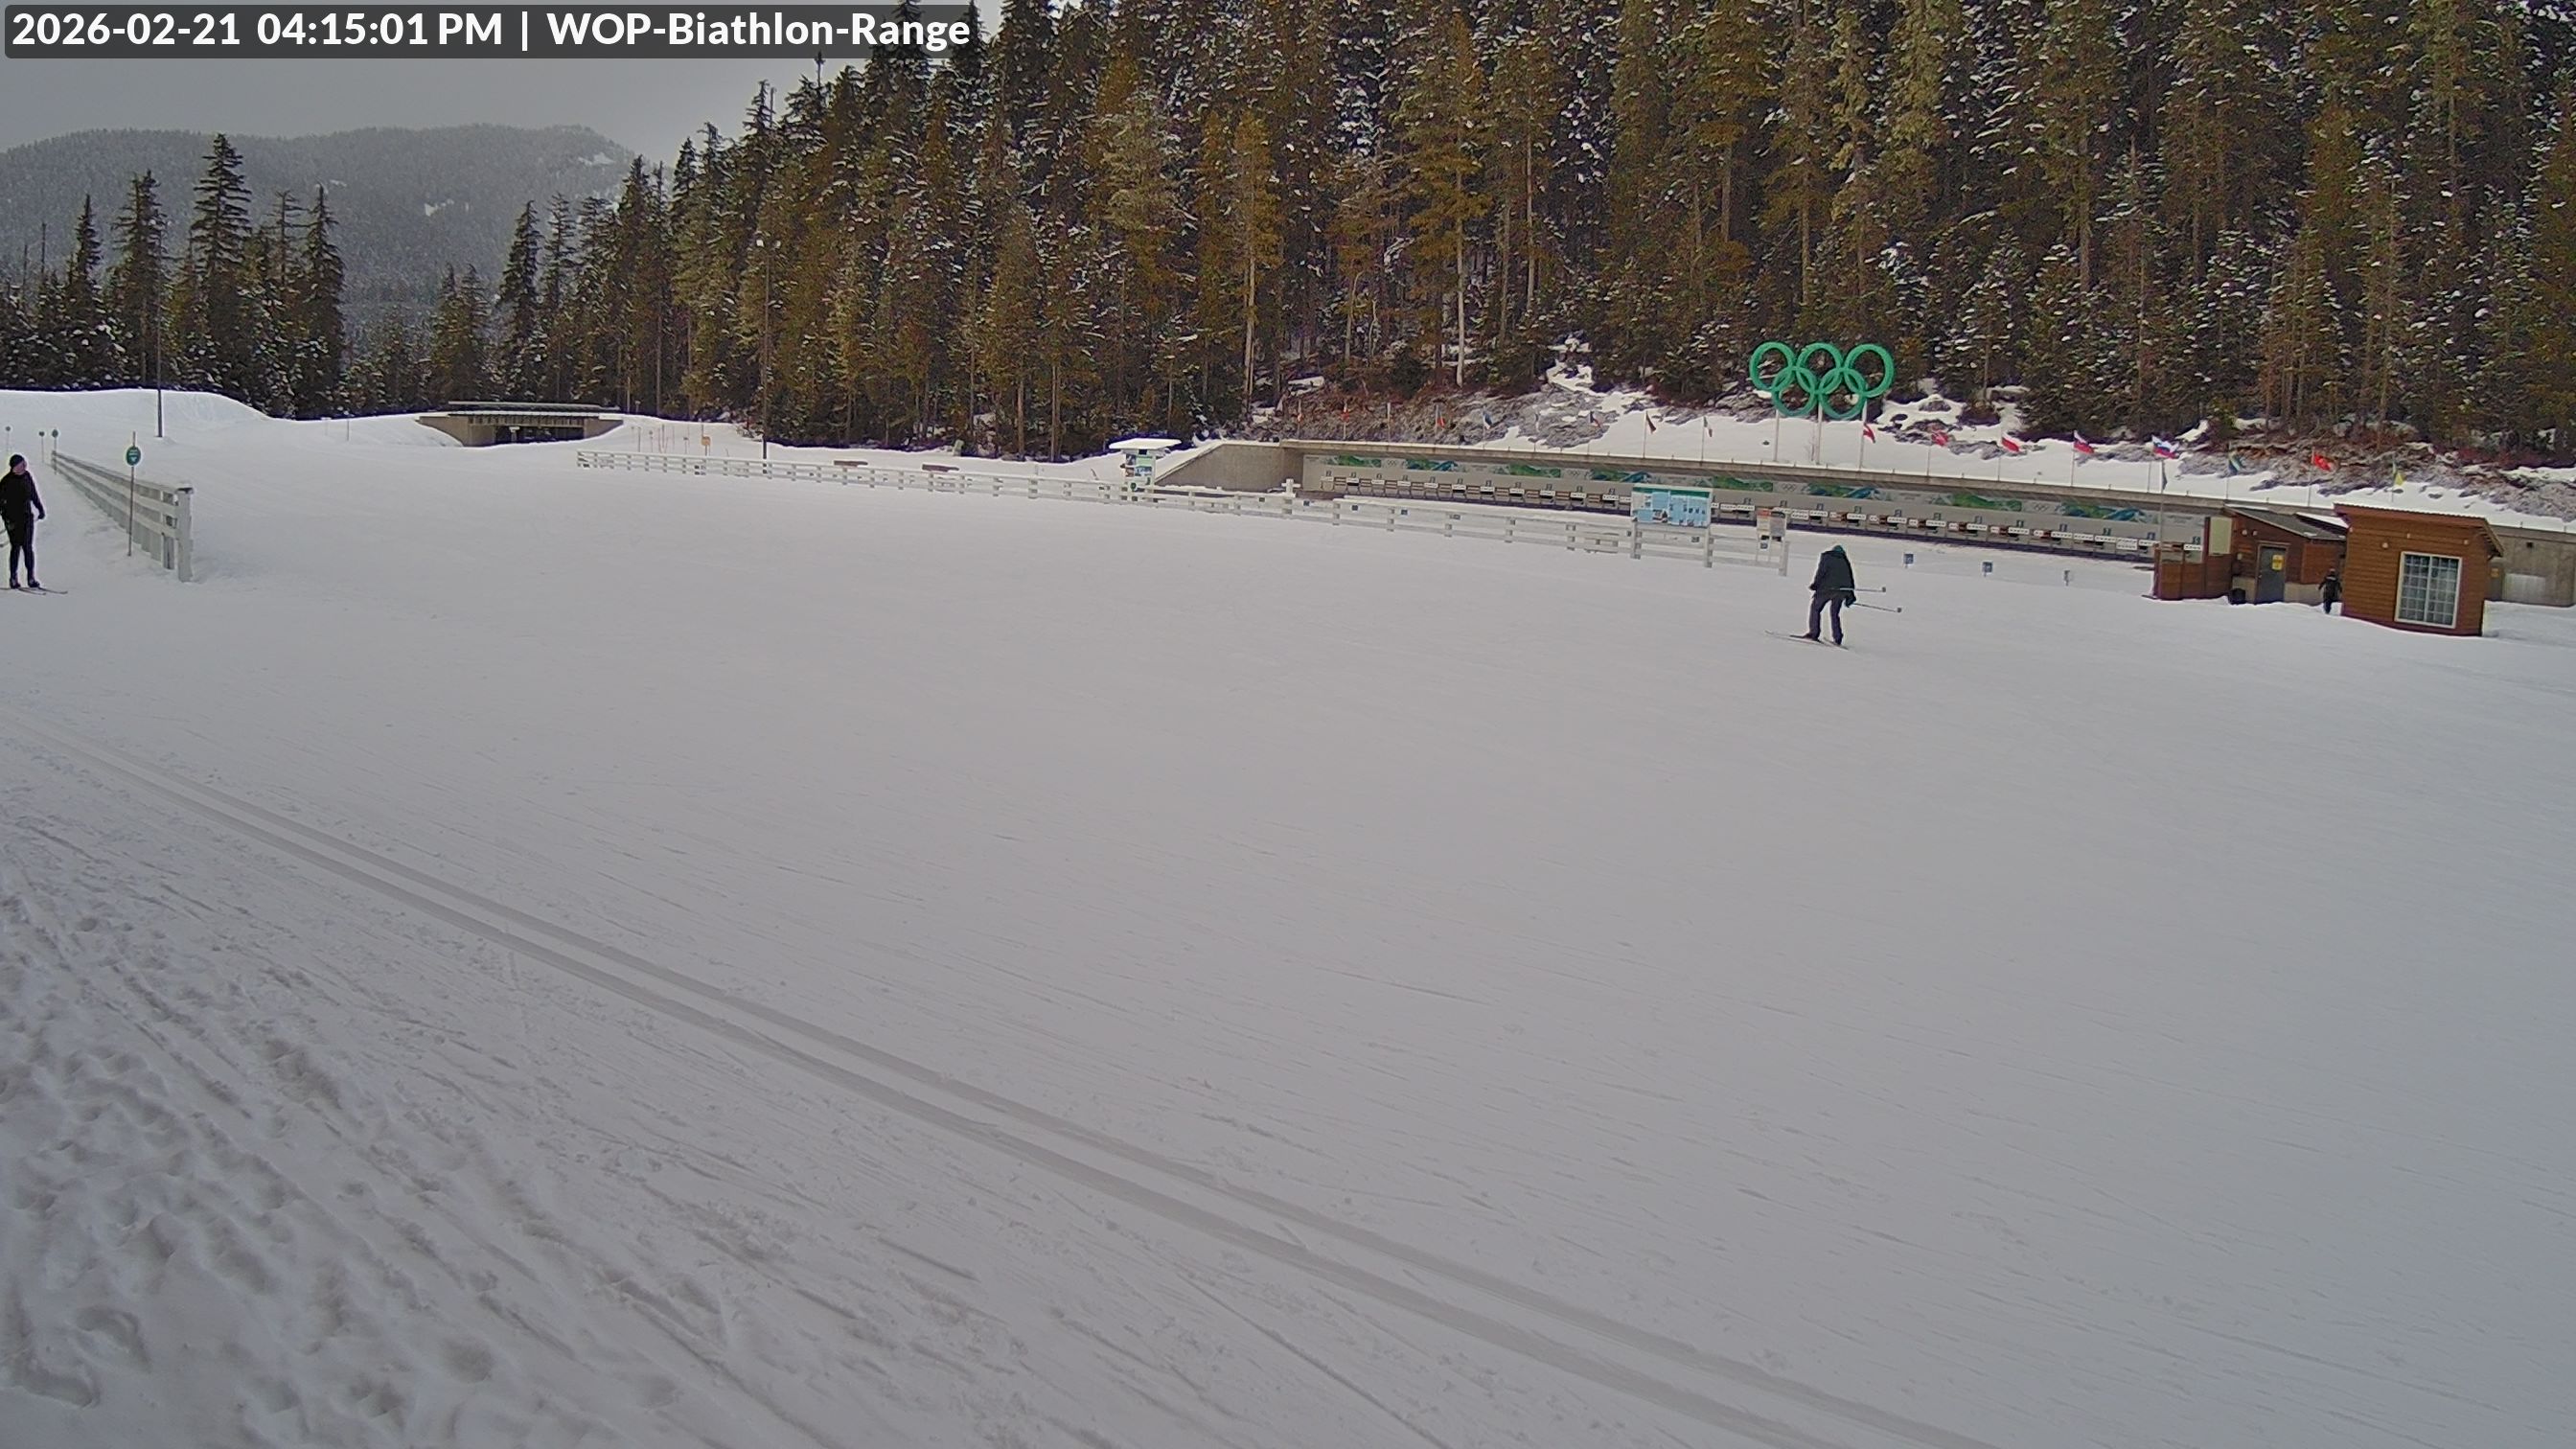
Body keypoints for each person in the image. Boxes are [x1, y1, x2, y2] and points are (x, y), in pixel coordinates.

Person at [1, 454, 41, 590]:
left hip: (26, 517)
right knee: (16, 548)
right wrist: (6, 519)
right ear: (14, 467)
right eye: (21, 465)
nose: (24, 466)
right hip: (12, 520)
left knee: (28, 548)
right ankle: (13, 578)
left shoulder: (27, 477)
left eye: (25, 464)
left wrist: (40, 509)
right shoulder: (6, 482)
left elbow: (33, 494)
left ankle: (31, 577)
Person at [1806, 543, 1856, 644]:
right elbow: (1850, 579)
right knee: (1834, 613)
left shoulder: (1827, 558)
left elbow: (1821, 572)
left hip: (1826, 590)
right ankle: (1838, 638)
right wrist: (1850, 596)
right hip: (1840, 592)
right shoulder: (1845, 562)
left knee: (1815, 609)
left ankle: (1814, 633)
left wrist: (1815, 585)